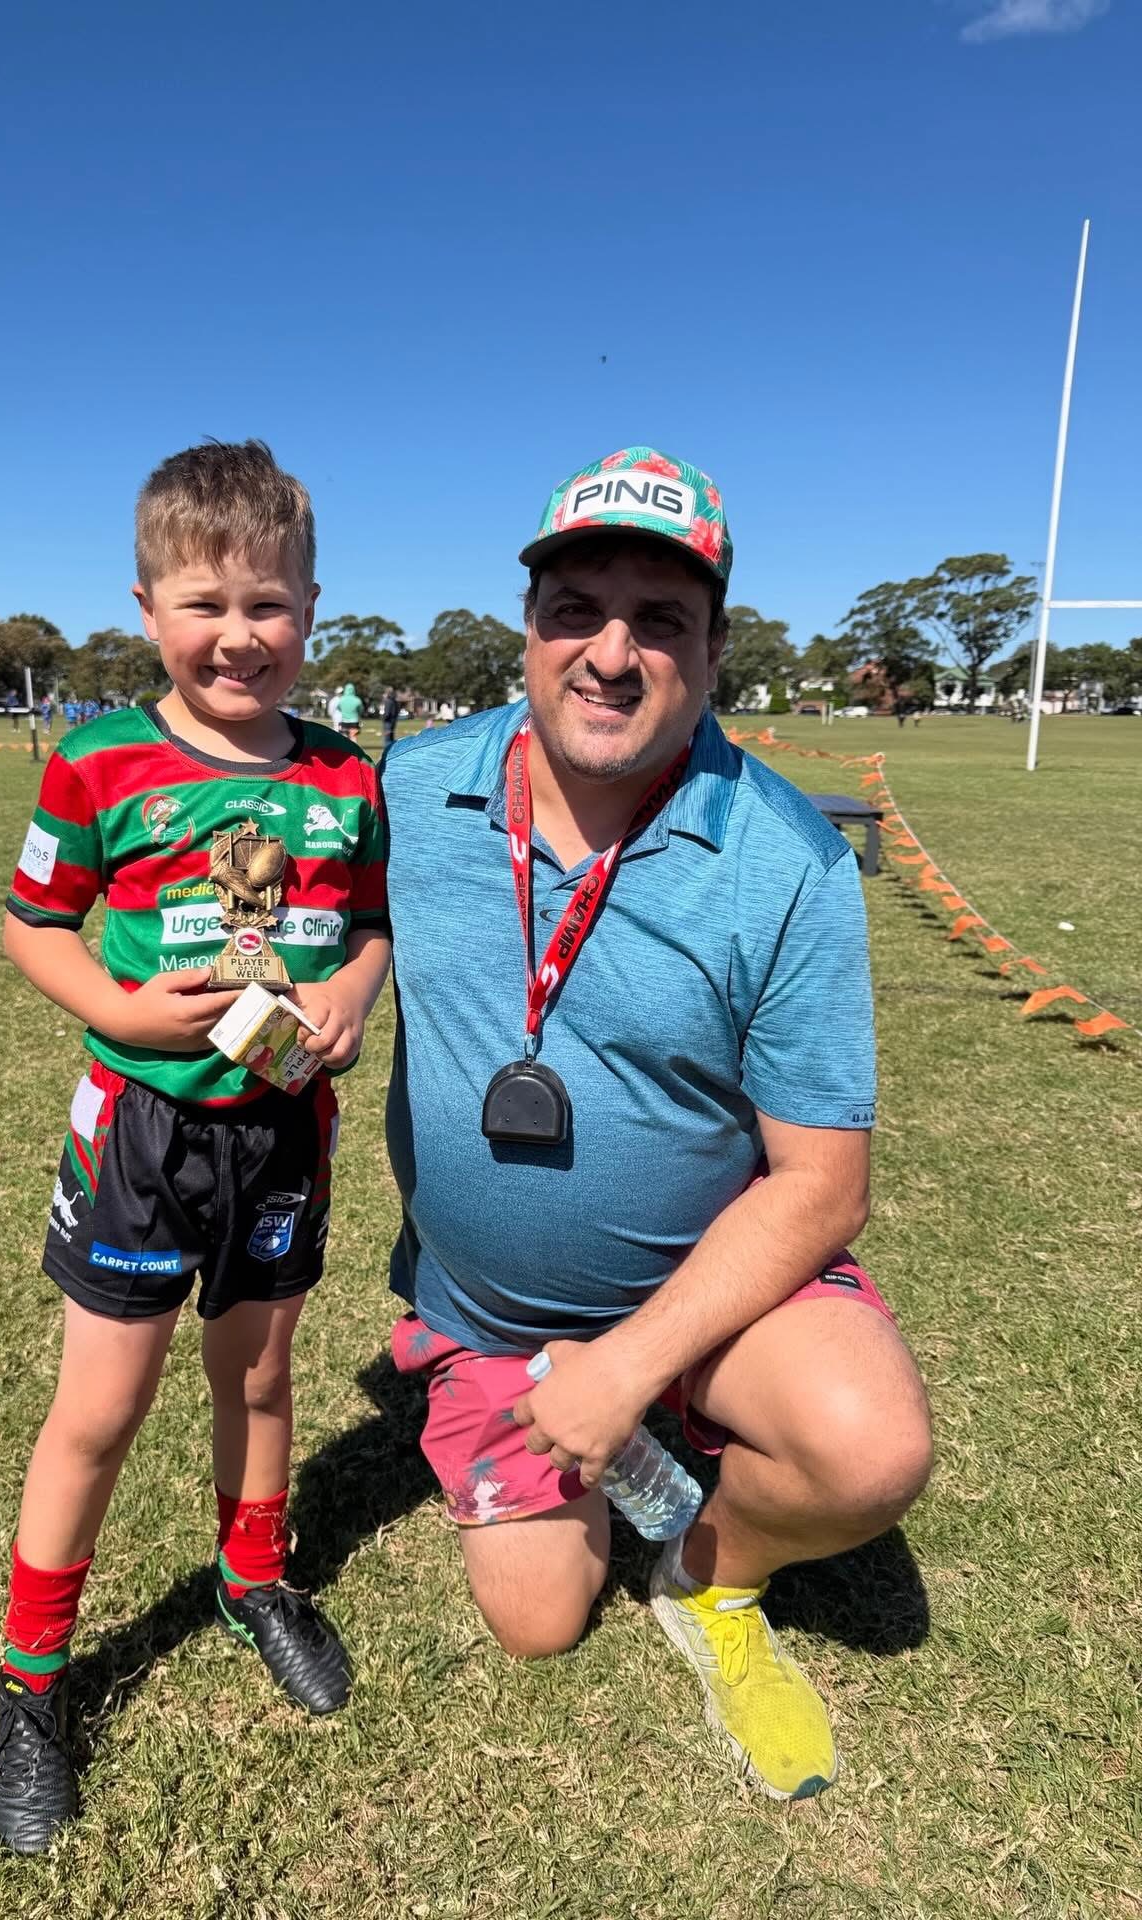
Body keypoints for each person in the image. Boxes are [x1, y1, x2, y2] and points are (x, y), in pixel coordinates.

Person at [381, 445, 932, 1802]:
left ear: (715, 647)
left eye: (661, 620)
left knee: (868, 1450)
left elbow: (822, 1186)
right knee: (536, 1619)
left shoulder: (788, 861)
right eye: (577, 610)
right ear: (529, 626)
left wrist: (627, 1367)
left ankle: (707, 1567)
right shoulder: (409, 791)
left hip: (712, 1293)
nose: (612, 654)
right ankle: (480, 1365)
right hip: (495, 1315)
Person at [0, 439, 392, 1852]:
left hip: (283, 1125)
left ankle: (253, 1578)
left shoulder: (346, 776)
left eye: (268, 604)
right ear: (149, 606)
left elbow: (367, 927)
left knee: (262, 1375)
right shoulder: (99, 760)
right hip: (146, 1135)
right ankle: (32, 1682)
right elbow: (33, 924)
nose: (239, 635)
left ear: (312, 609)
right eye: (207, 604)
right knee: (100, 1410)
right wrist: (115, 1007)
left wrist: (351, 997)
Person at [380, 687, 400, 752]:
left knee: (387, 739)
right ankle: (392, 751)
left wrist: (383, 718)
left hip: (388, 722)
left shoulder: (388, 701)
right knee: (391, 738)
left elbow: (387, 713)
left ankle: (387, 752)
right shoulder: (395, 701)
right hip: (393, 721)